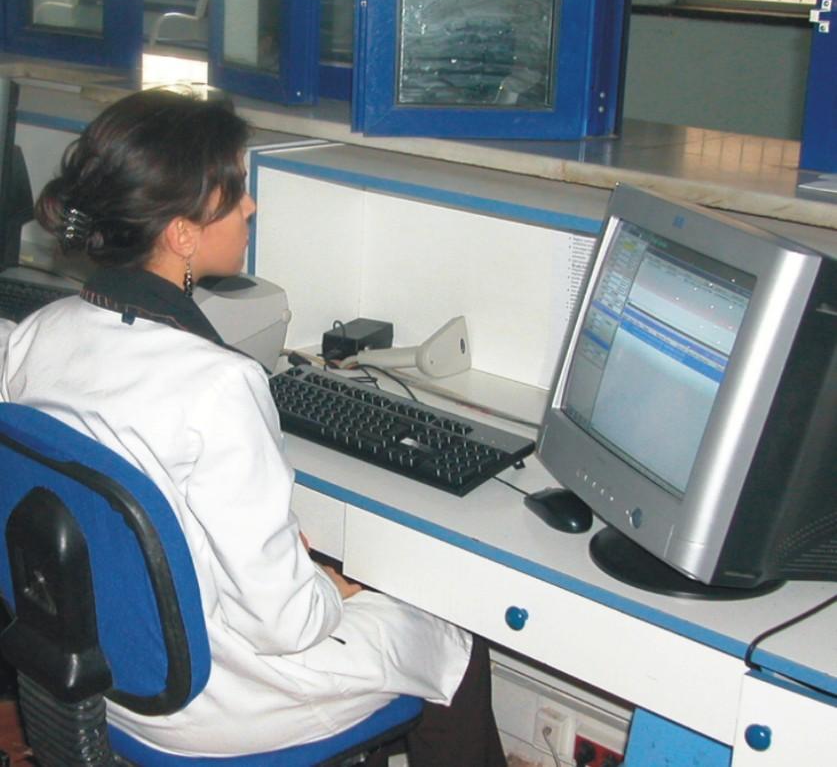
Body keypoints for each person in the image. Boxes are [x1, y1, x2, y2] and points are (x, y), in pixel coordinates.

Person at [0, 89, 506, 765]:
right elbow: (286, 623)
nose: (251, 206)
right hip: (208, 702)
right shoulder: (218, 384)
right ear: (182, 234)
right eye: (235, 190)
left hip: (97, 676)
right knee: (454, 644)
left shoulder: (37, 334)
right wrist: (329, 587)